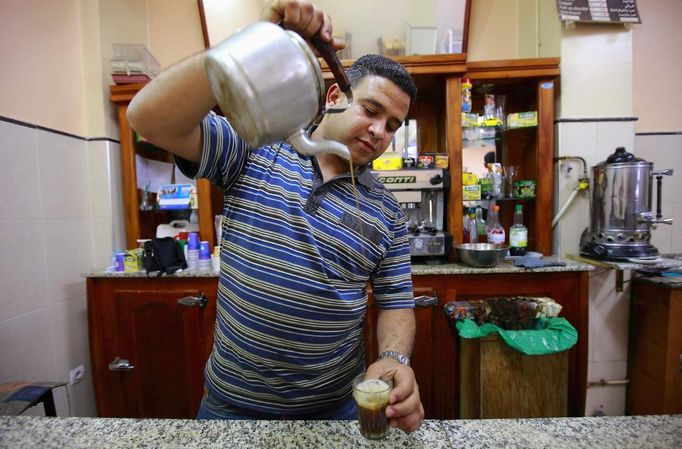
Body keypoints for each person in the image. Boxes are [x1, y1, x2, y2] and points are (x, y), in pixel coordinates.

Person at [127, 0, 423, 432]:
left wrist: (394, 358)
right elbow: (148, 119)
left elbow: (396, 302)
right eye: (372, 110)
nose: (381, 132)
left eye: (394, 124)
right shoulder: (255, 147)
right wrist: (250, 45)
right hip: (231, 407)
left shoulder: (387, 212)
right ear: (335, 96)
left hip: (335, 413)